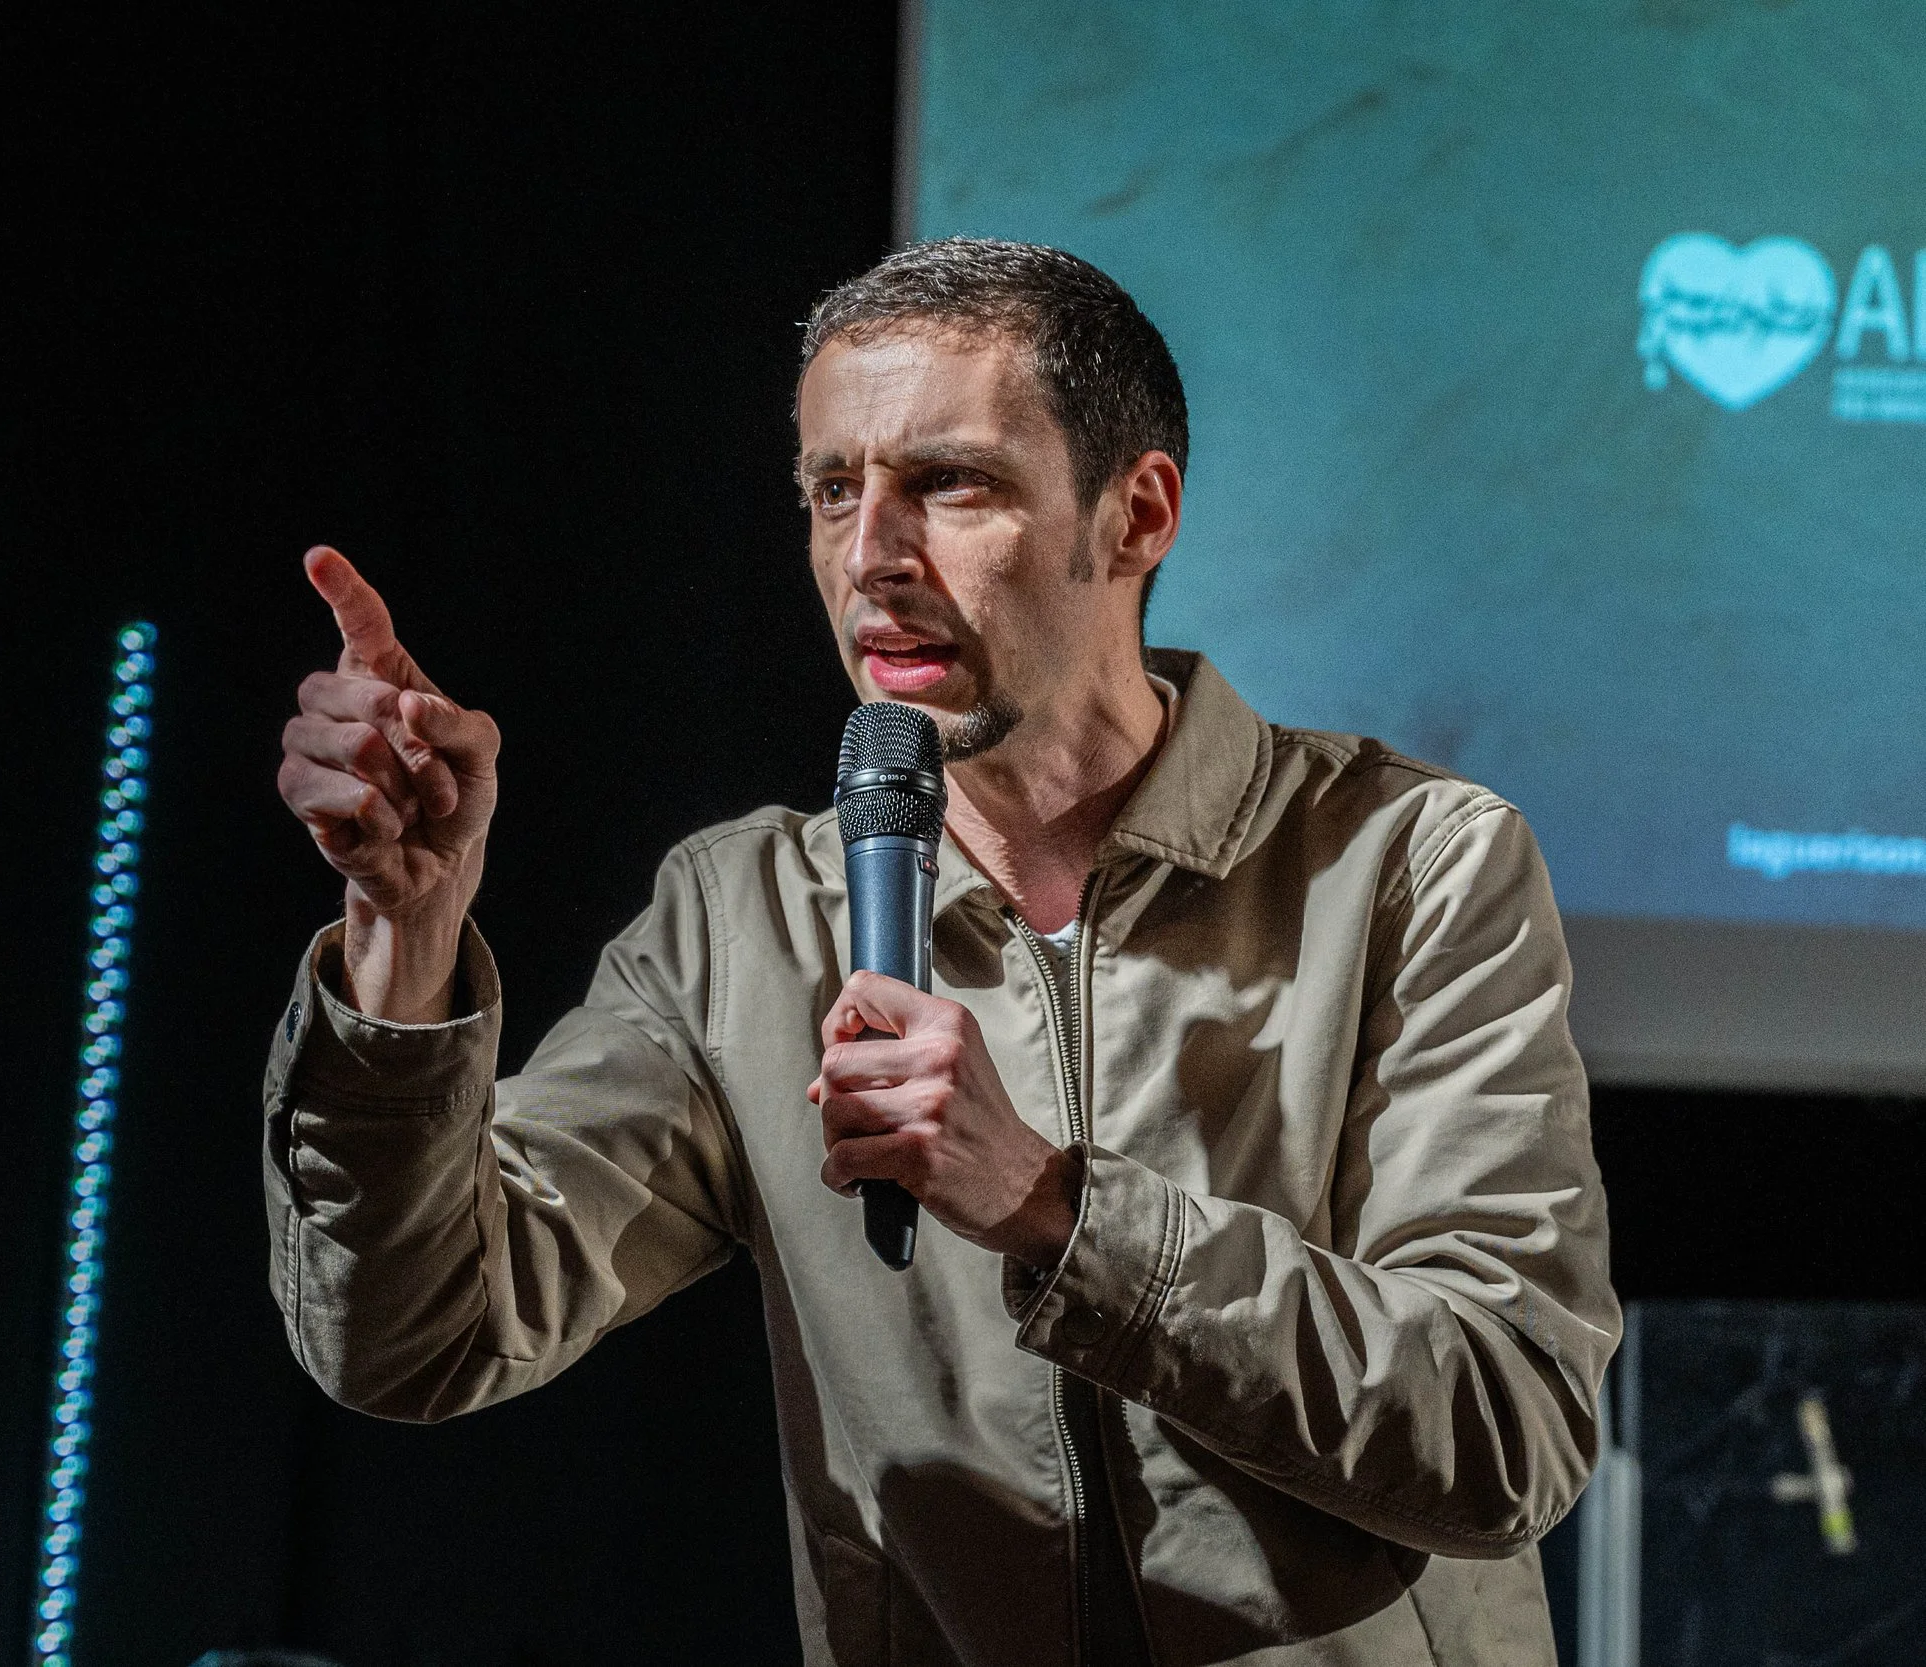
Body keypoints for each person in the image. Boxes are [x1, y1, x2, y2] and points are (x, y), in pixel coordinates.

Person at [266, 238, 1619, 1667]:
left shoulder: (1409, 863)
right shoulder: (742, 919)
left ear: (1136, 515)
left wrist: (1055, 1210)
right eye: (831, 492)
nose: (870, 558)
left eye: (951, 483)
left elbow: (1505, 1429)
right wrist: (405, 940)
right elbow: (413, 1338)